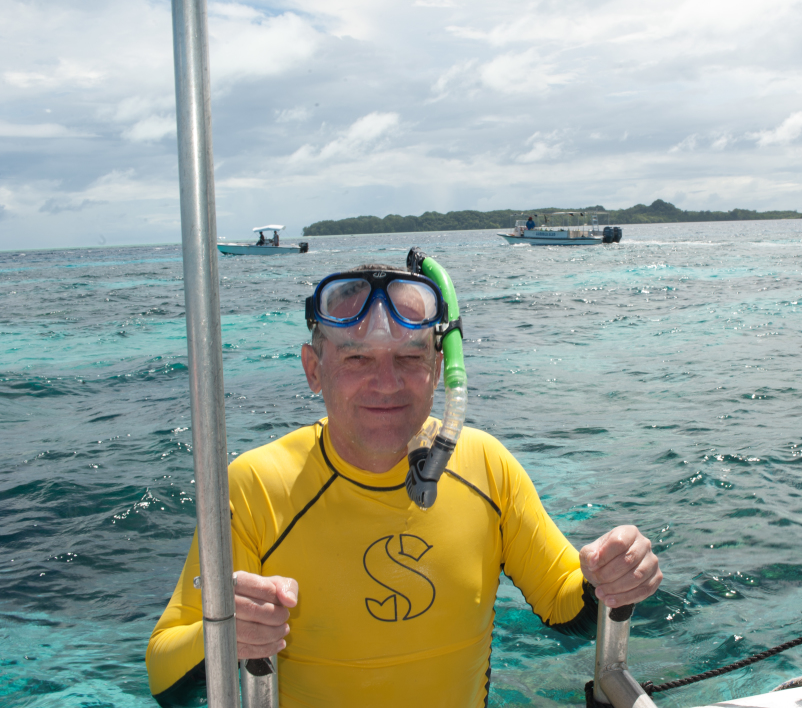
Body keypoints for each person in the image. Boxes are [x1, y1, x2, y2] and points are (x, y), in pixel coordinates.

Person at [145, 259, 663, 707]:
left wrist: (613, 577)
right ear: (313, 370)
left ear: (437, 369)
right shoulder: (256, 485)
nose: (387, 383)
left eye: (410, 358)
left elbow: (566, 604)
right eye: (357, 358)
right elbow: (163, 676)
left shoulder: (486, 465)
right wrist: (225, 632)